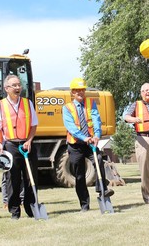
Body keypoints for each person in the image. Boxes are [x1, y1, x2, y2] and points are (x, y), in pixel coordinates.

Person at [62, 78, 114, 212]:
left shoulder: (91, 103)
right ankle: (84, 205)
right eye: (77, 90)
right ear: (72, 92)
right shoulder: (67, 108)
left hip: (90, 143)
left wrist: (97, 135)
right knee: (79, 176)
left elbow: (96, 120)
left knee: (99, 162)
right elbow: (71, 128)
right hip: (76, 145)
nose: (80, 92)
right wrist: (84, 137)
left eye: (82, 90)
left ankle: (102, 189)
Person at [0, 75, 38, 219]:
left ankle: (32, 209)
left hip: (26, 144)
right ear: (7, 88)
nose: (18, 88)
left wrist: (29, 140)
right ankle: (14, 211)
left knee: (31, 177)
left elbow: (34, 125)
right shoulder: (0, 105)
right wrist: (0, 144)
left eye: (19, 85)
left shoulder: (28, 103)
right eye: (14, 85)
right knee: (13, 179)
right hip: (11, 145)